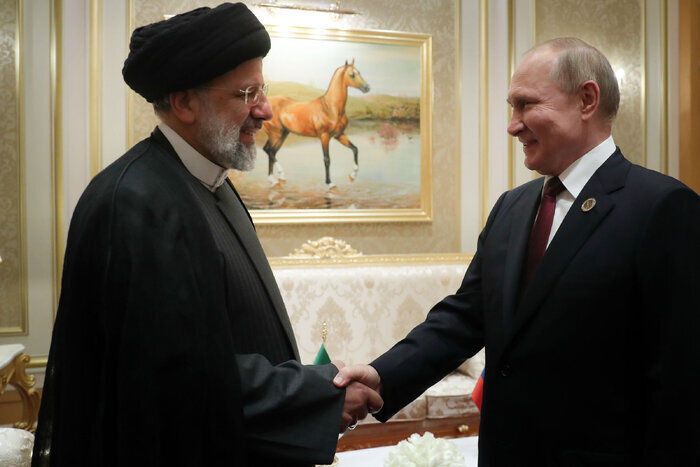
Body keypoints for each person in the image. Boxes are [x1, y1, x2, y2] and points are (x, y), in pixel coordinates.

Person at [33, 4, 381, 466]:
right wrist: (316, 392)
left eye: (263, 90)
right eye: (246, 93)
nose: (266, 110)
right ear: (184, 103)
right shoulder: (136, 203)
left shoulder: (208, 180)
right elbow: (175, 377)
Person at [334, 37, 700, 465]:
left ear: (586, 99)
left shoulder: (663, 208)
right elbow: (466, 317)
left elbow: (682, 379)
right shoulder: (513, 206)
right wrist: (381, 376)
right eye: (512, 108)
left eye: (526, 105)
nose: (512, 125)